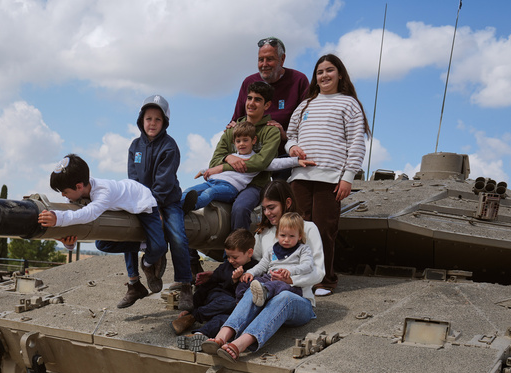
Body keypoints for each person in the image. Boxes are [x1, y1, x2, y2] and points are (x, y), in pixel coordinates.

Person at [201, 180, 325, 360]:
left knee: (284, 296)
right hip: (265, 298)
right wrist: (218, 274)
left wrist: (291, 281)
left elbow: (319, 272)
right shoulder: (263, 234)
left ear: (287, 203)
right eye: (264, 208)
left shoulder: (307, 229)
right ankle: (221, 337)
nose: (267, 213)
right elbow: (247, 259)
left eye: (271, 207)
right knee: (255, 286)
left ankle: (239, 344)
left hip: (299, 301)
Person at [37, 154, 170, 309]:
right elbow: (74, 223)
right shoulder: (75, 195)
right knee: (102, 244)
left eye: (64, 191)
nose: (62, 195)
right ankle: (141, 255)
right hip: (122, 207)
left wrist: (58, 218)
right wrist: (69, 245)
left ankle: (147, 263)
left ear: (79, 186)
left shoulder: (103, 192)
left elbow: (87, 214)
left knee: (159, 246)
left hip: (141, 201)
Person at [286, 53, 369, 297]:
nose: (324, 75)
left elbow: (356, 143)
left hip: (331, 177)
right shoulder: (306, 105)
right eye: (320, 72)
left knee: (323, 230)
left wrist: (348, 177)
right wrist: (291, 148)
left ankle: (325, 280)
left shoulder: (349, 104)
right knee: (298, 230)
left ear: (340, 74)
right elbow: (291, 135)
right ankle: (302, 278)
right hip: (301, 177)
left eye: (329, 70)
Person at [128, 95, 193, 311]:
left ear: (164, 122)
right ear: (141, 120)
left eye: (157, 119)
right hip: (141, 201)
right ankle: (134, 280)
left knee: (177, 235)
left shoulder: (169, 146)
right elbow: (133, 178)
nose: (152, 123)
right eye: (148, 118)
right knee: (126, 230)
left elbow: (164, 183)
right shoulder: (135, 146)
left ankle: (185, 284)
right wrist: (138, 203)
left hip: (166, 201)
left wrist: (154, 209)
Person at [180, 120, 312, 213]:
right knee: (190, 190)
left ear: (253, 141)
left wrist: (296, 161)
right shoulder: (232, 157)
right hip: (213, 181)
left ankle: (192, 206)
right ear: (234, 143)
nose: (241, 144)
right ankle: (174, 206)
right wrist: (204, 171)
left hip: (229, 188)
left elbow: (275, 163)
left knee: (210, 193)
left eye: (245, 140)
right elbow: (218, 166)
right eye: (238, 141)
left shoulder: (256, 159)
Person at [208, 81, 283, 233]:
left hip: (255, 186)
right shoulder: (232, 130)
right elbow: (213, 163)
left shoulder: (271, 131)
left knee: (240, 208)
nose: (251, 103)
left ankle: (237, 254)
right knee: (198, 199)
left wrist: (224, 165)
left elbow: (261, 162)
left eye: (257, 99)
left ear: (267, 105)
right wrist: (228, 157)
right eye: (249, 98)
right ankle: (190, 254)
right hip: (229, 182)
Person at [229, 36, 310, 160]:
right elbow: (237, 119)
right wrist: (231, 129)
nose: (264, 64)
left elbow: (307, 123)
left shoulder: (298, 80)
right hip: (252, 155)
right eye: (261, 59)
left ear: (282, 59)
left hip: (285, 154)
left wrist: (285, 135)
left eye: (270, 59)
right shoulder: (249, 82)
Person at [171, 228, 255, 337]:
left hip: (231, 308)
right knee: (230, 302)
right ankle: (192, 317)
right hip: (218, 299)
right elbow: (207, 286)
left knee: (226, 318)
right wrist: (193, 307)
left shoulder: (255, 269)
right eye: (228, 256)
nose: (230, 260)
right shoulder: (225, 267)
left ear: (249, 253)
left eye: (234, 257)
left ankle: (200, 334)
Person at [244, 211, 314, 307]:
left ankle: (265, 294)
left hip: (288, 283)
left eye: (292, 236)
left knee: (276, 285)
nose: (286, 239)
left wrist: (290, 271)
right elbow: (262, 265)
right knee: (252, 281)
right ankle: (240, 300)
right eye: (283, 235)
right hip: (270, 277)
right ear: (277, 234)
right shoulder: (272, 250)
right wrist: (250, 272)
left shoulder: (303, 249)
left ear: (299, 236)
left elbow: (308, 266)